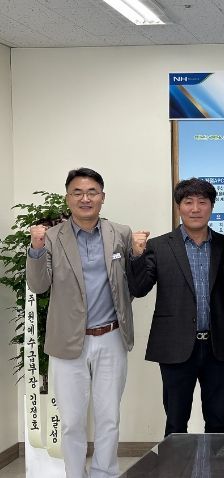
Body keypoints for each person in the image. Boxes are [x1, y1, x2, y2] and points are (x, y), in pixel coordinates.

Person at [26, 167, 134, 478]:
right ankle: (75, 474)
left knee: (108, 417)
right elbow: (38, 286)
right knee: (72, 420)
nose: (85, 198)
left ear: (102, 197)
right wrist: (35, 249)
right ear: (68, 198)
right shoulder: (51, 237)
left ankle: (104, 473)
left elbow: (135, 281)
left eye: (92, 192)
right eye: (77, 192)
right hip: (67, 340)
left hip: (111, 337)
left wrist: (140, 253)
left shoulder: (120, 233)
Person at [127, 178, 224, 436]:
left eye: (202, 202)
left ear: (212, 206)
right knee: (176, 423)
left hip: (218, 346)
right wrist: (136, 255)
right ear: (179, 206)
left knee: (217, 422)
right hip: (175, 346)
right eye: (188, 202)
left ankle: (214, 461)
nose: (195, 208)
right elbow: (139, 288)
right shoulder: (159, 246)